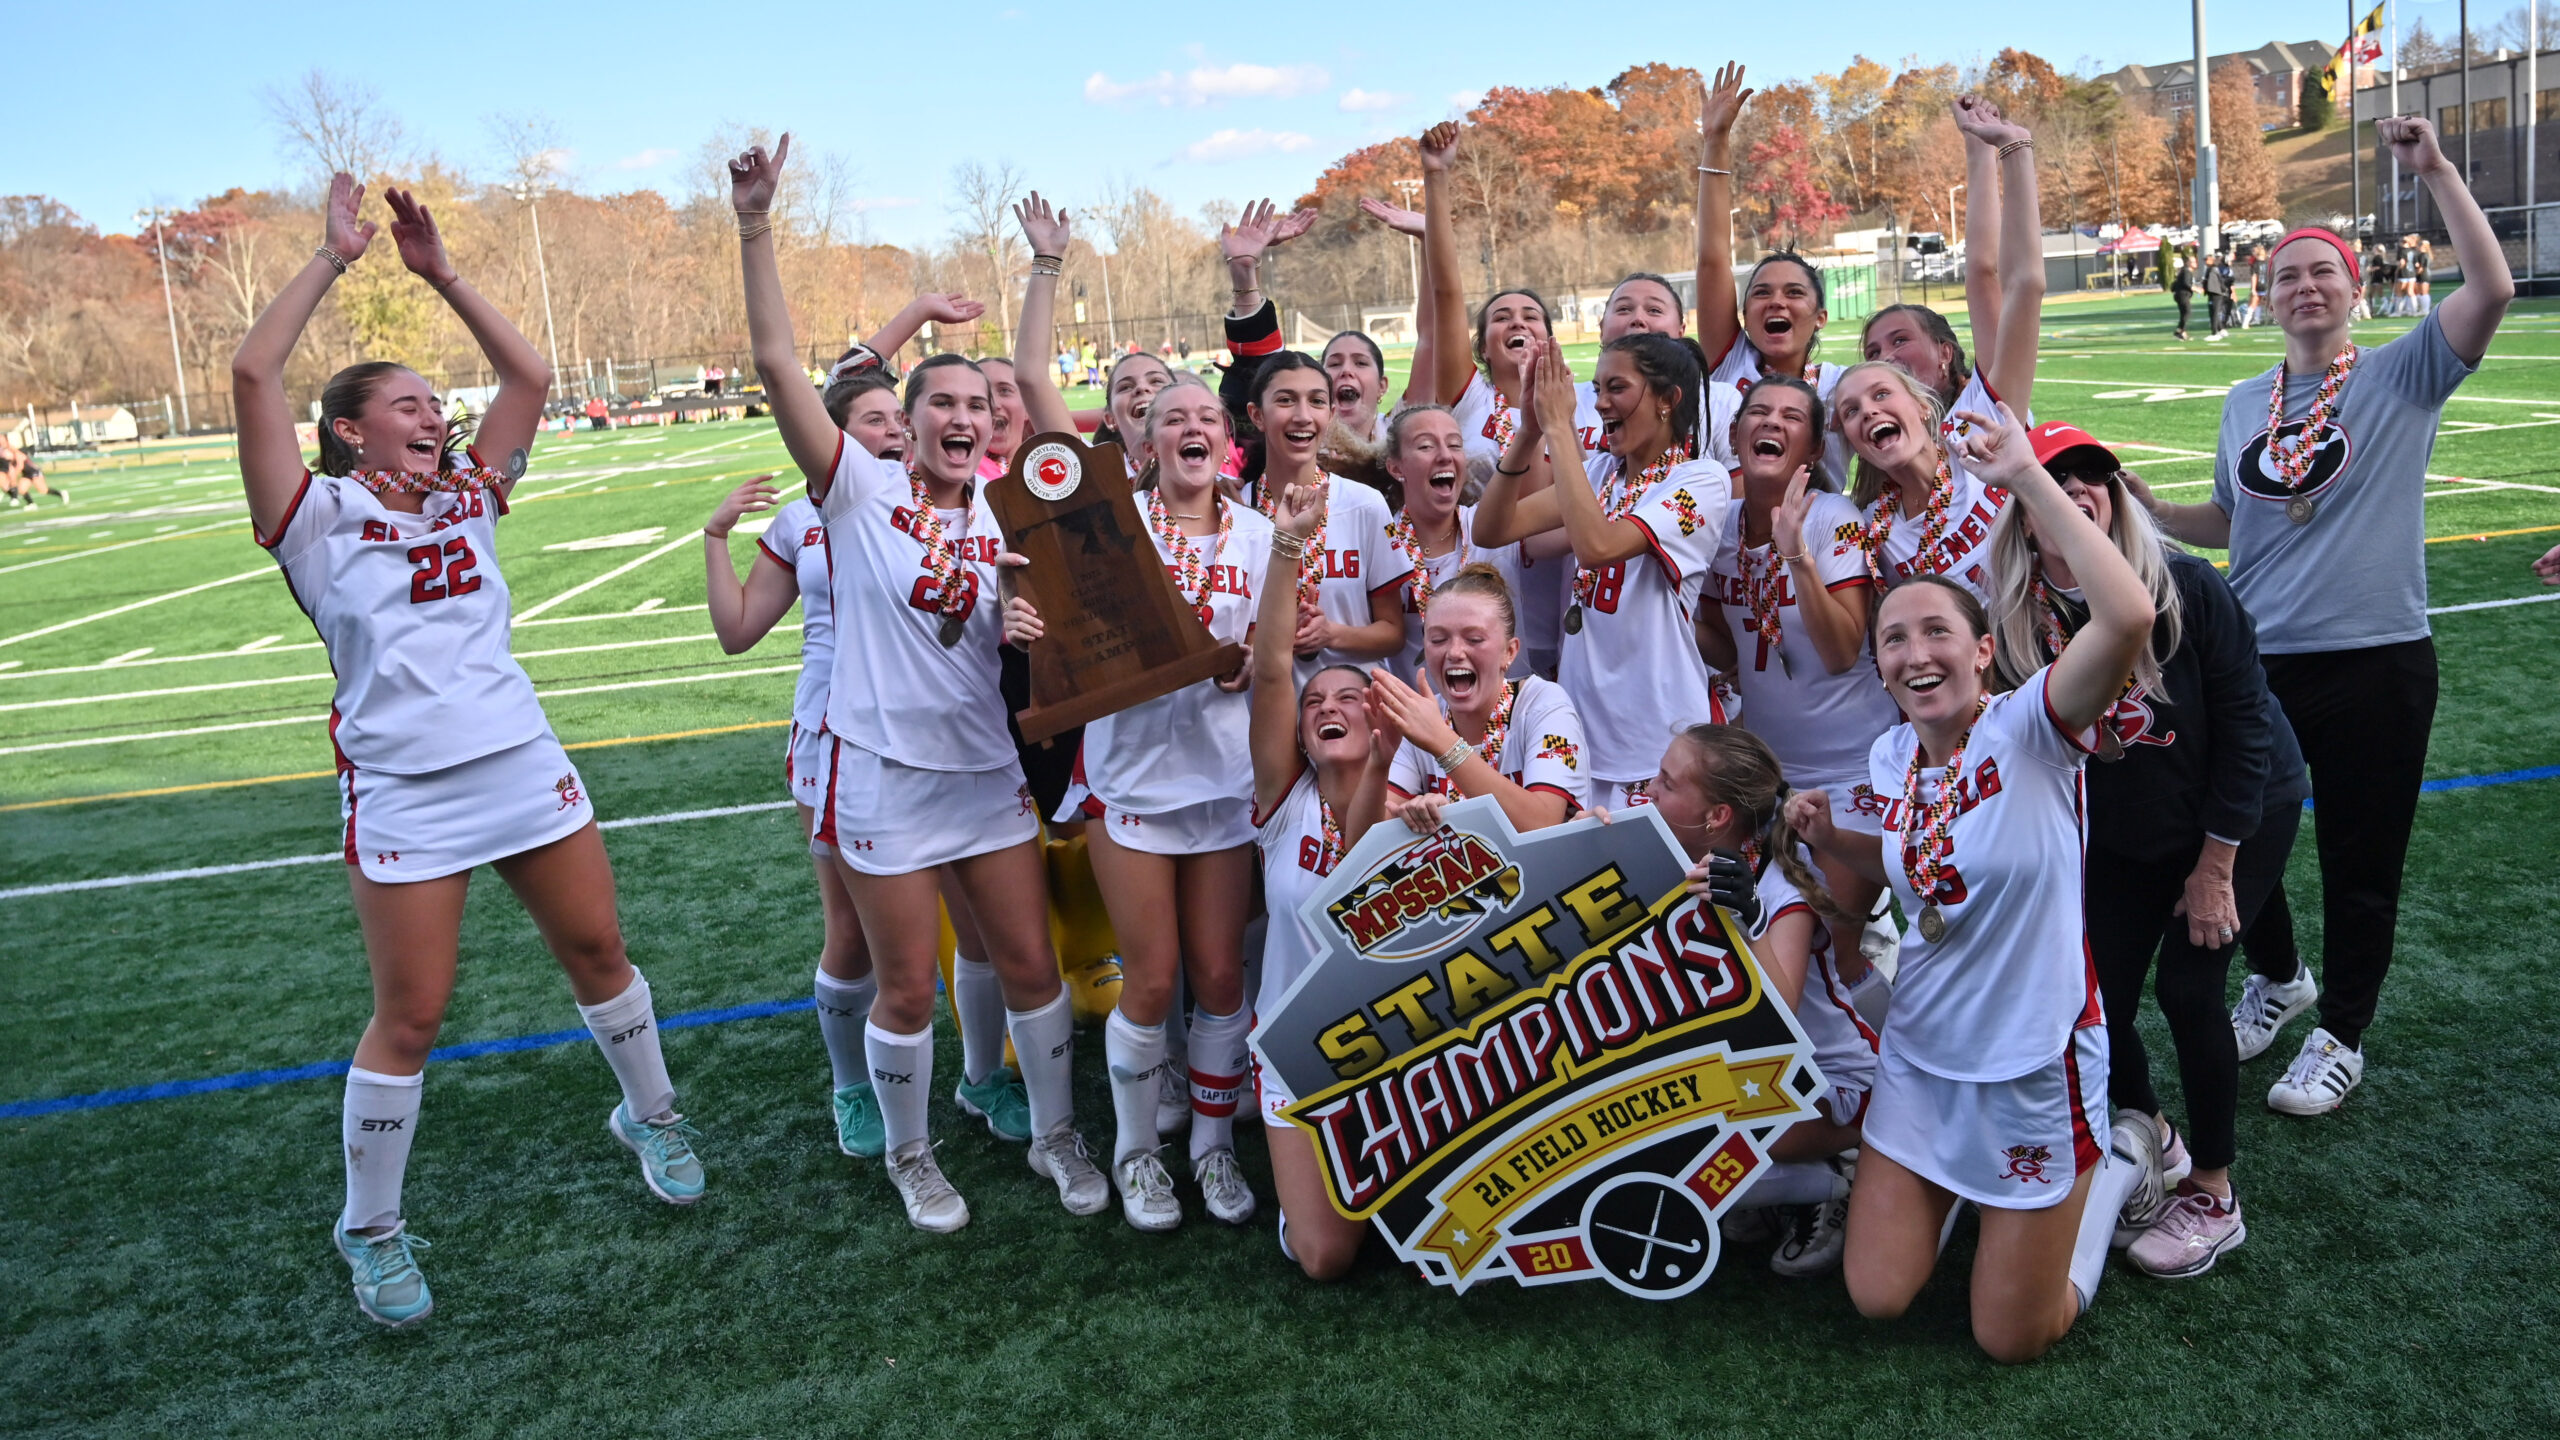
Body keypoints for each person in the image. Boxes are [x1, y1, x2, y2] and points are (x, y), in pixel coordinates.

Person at [233, 175, 706, 1328]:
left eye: (434, 398)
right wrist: (336, 258)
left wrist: (441, 273)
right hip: (402, 787)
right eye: (405, 402)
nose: (432, 412)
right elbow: (254, 376)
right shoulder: (313, 516)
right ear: (348, 430)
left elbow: (529, 376)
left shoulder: (472, 494)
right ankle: (373, 1229)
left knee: (599, 946)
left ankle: (650, 1110)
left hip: (518, 760)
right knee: (414, 1013)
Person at [733, 135, 1108, 1231]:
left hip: (983, 770)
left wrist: (1026, 632)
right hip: (883, 773)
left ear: (989, 430)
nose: (958, 417)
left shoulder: (1007, 511)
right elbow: (773, 362)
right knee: (905, 988)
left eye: (972, 409)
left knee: (1029, 964)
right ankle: (911, 1155)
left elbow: (1025, 629)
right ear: (910, 421)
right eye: (935, 402)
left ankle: (1051, 1135)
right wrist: (757, 225)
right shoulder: (853, 493)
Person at [2123, 117, 2514, 1117]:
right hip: (2258, 662)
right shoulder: (2243, 399)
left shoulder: (2401, 373)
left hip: (2374, 658)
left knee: (2357, 852)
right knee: (2235, 830)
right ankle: (2282, 975)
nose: (2304, 286)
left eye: (2323, 273)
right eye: (2286, 274)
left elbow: (2491, 288)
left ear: (2354, 290)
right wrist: (2157, 513)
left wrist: (2431, 170)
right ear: (2263, 297)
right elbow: (2236, 520)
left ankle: (2339, 1027)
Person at [1788, 398, 2156, 1364]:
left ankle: (2112, 1169)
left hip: (2033, 1057)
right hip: (1925, 1049)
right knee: (1875, 1298)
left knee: (2011, 1338)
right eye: (1893, 642)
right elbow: (1922, 872)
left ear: (1984, 649)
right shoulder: (1888, 761)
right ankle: (1962, 1196)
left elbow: (2128, 614)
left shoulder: (2032, 725)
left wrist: (2027, 481)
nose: (1916, 654)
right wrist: (1837, 840)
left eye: (1936, 633)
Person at [1986, 420, 2307, 1279]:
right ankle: (2151, 1131)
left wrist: (2215, 868)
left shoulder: (2188, 589)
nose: (2077, 487)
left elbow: (2245, 731)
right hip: (2129, 820)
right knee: (2088, 990)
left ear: (2115, 492)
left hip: (2241, 805)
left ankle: (2214, 1189)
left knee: (2190, 984)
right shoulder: (2017, 613)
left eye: (2092, 473)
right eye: (2056, 475)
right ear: (2025, 506)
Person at [1011, 370, 1271, 1232]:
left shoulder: (1264, 537)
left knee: (1224, 974)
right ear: (1142, 441)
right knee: (1153, 979)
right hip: (1132, 784)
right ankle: (1137, 1156)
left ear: (1226, 439)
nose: (1191, 428)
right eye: (1172, 419)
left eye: (1207, 416)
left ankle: (1211, 1148)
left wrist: (1255, 661)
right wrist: (1027, 618)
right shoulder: (1105, 535)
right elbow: (1066, 643)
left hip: (1225, 785)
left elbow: (1281, 657)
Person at [700, 462, 894, 1160]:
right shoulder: (800, 521)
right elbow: (738, 631)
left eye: (893, 418)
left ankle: (985, 1076)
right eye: (868, 421)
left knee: (975, 919)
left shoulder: (942, 502)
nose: (889, 434)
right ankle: (852, 1085)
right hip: (832, 736)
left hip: (938, 734)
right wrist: (716, 534)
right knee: (852, 930)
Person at [1641, 723, 1877, 1276]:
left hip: (1829, 1084)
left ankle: (1837, 1176)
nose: (1649, 790)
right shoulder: (1671, 856)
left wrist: (1749, 919)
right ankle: (1780, 1191)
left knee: (1680, 1134)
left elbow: (1779, 1018)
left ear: (1716, 816)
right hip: (1754, 1077)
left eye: (1667, 782)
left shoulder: (1777, 889)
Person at [1474, 333, 1732, 809]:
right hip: (1584, 726)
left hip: (1656, 731)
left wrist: (1559, 430)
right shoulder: (1598, 474)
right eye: (1596, 389)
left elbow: (1597, 547)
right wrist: (1531, 431)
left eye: (1617, 387)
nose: (1601, 403)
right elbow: (1491, 529)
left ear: (1667, 400)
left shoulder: (1702, 479)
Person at [1694, 376, 1898, 978]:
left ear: (1812, 450)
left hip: (1851, 768)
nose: (1770, 423)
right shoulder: (1720, 526)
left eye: (1790, 416)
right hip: (1770, 775)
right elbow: (1721, 638)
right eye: (1757, 412)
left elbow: (1840, 651)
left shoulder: (1833, 517)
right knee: (1781, 946)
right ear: (1735, 436)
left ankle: (1863, 1064)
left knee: (1834, 944)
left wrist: (1794, 556)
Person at [1246, 478, 1395, 1279]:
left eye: (1351, 695)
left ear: (1382, 717)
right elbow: (1274, 670)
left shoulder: (1418, 808)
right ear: (1301, 735)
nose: (1328, 704)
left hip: (1403, 1046)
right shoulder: (1284, 801)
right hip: (1297, 1046)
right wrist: (1288, 546)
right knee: (1325, 1258)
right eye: (1317, 705)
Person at [1696, 62, 1853, 485]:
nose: (1777, 301)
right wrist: (1716, 141)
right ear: (1744, 313)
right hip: (1727, 542)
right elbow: (1712, 260)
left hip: (1817, 540)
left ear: (1820, 316)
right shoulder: (1729, 362)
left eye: (1794, 293)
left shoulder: (1842, 387)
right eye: (1761, 292)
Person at [1861, 97, 2044, 431]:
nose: (1885, 357)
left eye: (1900, 340)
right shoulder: (1884, 440)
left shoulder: (1987, 408)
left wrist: (2001, 149)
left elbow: (1987, 272)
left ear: (1945, 353)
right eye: (1872, 353)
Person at [1368, 563, 1589, 835]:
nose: (1455, 652)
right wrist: (1377, 765)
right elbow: (1360, 848)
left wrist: (1443, 743)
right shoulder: (1423, 715)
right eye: (1438, 639)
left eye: (1474, 639)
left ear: (1510, 652)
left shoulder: (1545, 705)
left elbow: (1543, 823)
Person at [1831, 361, 2009, 602]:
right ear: (1855, 445)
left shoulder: (1974, 440)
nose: (1868, 411)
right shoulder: (1873, 534)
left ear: (1922, 406)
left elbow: (2012, 335)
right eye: (1850, 411)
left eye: (1881, 394)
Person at [2170, 248, 2194, 341]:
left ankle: (2182, 332)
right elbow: (2186, 283)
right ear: (2188, 262)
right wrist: (2195, 289)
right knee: (2187, 312)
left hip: (2181, 295)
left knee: (2184, 313)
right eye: (2192, 261)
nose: (2195, 263)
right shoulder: (2186, 271)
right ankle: (2179, 331)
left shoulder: (2185, 271)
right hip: (2182, 295)